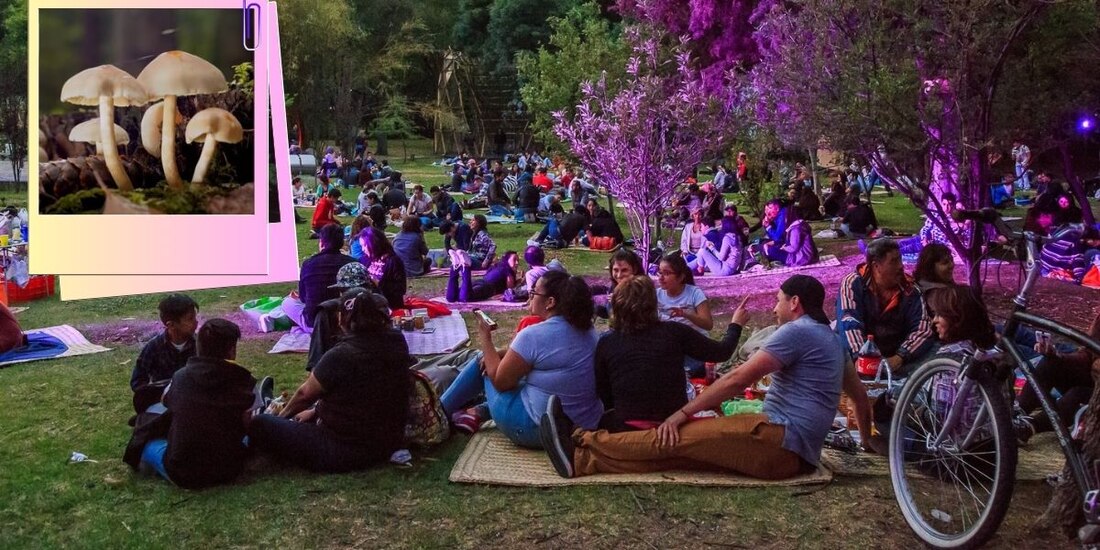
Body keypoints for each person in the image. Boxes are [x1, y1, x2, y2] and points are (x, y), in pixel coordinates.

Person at [540, 275, 846, 480]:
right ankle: (582, 460)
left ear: (795, 303)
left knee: (670, 441)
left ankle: (581, 444)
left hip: (781, 441)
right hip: (790, 451)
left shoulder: (797, 331)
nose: (774, 307)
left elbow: (737, 379)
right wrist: (872, 440)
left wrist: (682, 413)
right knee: (673, 454)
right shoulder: (830, 339)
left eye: (779, 300)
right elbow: (857, 394)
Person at [250, 292, 413, 472]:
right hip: (387, 441)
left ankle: (269, 412)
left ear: (341, 318)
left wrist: (282, 420)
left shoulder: (342, 355)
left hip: (343, 450)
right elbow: (364, 392)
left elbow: (305, 394)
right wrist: (315, 411)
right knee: (305, 415)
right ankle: (276, 410)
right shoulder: (397, 341)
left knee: (261, 423)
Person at [440, 271, 602, 447]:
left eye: (534, 292)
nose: (529, 295)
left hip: (536, 429)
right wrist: (502, 353)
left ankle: (438, 414)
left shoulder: (533, 336)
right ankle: (474, 411)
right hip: (582, 425)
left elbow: (500, 382)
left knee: (482, 359)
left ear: (550, 302)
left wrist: (485, 339)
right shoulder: (588, 330)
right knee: (515, 370)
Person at [595, 276, 747, 432]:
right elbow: (722, 352)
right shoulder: (673, 331)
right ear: (653, 305)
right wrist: (736, 325)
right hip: (673, 426)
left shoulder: (606, 342)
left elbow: (603, 391)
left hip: (626, 426)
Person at [138, 319, 266, 488]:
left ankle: (151, 465)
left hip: (182, 473)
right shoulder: (245, 381)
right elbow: (247, 424)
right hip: (229, 468)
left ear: (198, 347)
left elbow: (165, 401)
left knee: (147, 441)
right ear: (232, 350)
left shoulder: (180, 376)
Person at [836, 238, 935, 377]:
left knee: (934, 352)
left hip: (895, 355)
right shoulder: (853, 283)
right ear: (876, 266)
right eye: (894, 261)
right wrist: (861, 357)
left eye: (900, 260)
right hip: (859, 356)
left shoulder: (911, 290)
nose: (901, 266)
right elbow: (849, 321)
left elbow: (923, 329)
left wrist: (899, 357)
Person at [1014, 311, 1099, 444]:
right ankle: (1017, 412)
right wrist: (1057, 355)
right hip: (1091, 378)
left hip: (1091, 394)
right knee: (1051, 362)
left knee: (1077, 394)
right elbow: (1087, 355)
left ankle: (1027, 427)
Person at [130, 294, 199, 414]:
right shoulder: (154, 347)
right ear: (171, 325)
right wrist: (154, 394)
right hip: (164, 402)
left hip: (192, 401)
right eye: (190, 319)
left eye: (195, 317)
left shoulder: (199, 345)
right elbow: (138, 381)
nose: (196, 322)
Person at [285, 224, 357, 332]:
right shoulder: (353, 264)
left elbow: (304, 298)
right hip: (349, 320)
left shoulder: (309, 264)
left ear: (322, 242)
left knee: (287, 303)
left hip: (317, 323)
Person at [656, 253, 713, 378]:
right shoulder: (655, 295)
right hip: (669, 348)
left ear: (681, 277)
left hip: (695, 348)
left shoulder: (694, 293)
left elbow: (708, 324)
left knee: (684, 373)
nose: (660, 277)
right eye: (659, 272)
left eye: (666, 273)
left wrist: (687, 314)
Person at [358, 226, 407, 310]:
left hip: (388, 304)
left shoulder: (393, 261)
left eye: (365, 245)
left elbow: (401, 289)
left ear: (374, 244)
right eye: (361, 246)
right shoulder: (364, 260)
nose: (363, 249)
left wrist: (378, 283)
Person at [446, 250, 518, 303]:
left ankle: (454, 265)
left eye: (518, 260)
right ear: (507, 260)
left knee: (451, 297)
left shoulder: (497, 266)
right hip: (488, 288)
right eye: (514, 260)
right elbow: (510, 288)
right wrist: (517, 277)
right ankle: (466, 266)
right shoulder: (508, 270)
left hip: (480, 281)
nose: (517, 263)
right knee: (465, 298)